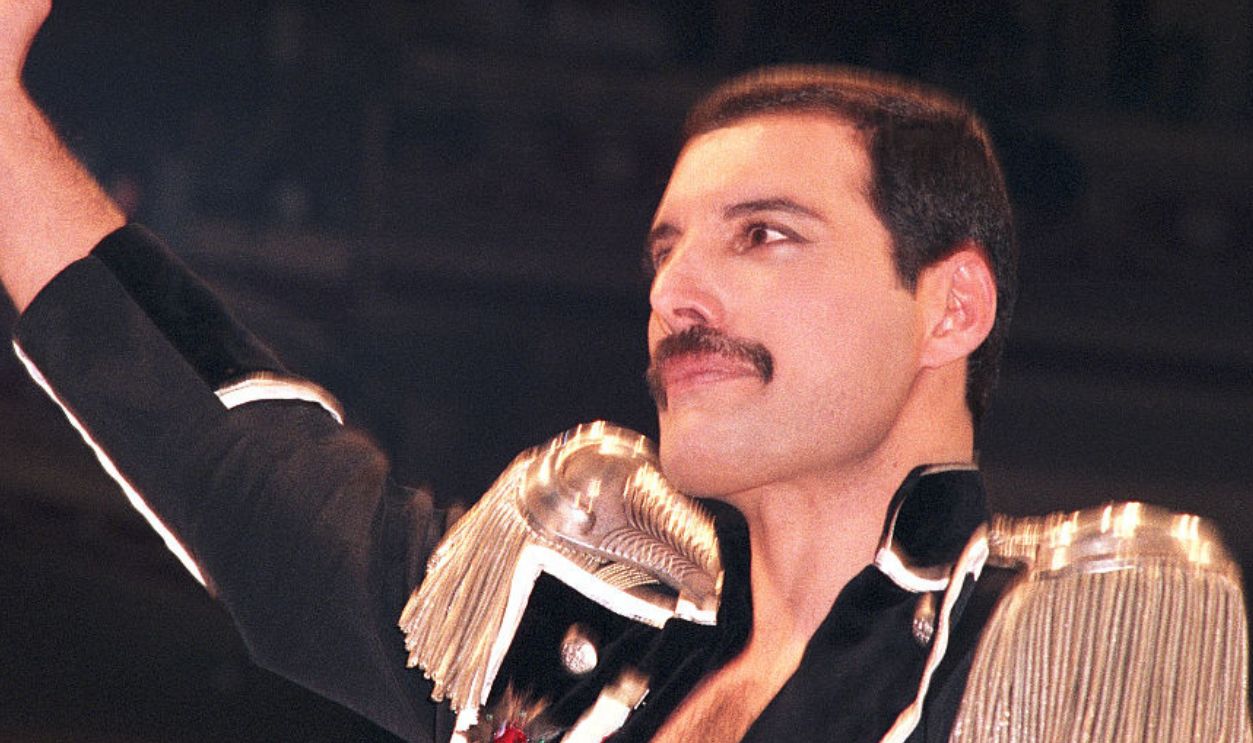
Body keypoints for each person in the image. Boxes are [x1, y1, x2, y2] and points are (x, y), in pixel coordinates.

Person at [3, 3, 1249, 743]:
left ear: (950, 305)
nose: (677, 292)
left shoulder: (1063, 637)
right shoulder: (585, 621)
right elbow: (248, 479)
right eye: (667, 248)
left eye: (762, 233)